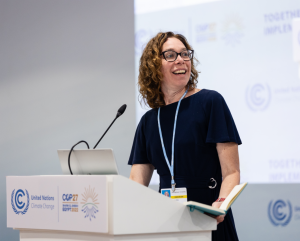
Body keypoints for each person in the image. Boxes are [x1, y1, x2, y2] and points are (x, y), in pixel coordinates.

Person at [128, 31, 241, 241]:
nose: (181, 60)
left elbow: (232, 172)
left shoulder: (210, 102)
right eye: (170, 55)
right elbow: (136, 184)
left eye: (184, 54)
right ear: (153, 66)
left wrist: (221, 203)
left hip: (208, 217)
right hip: (167, 223)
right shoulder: (148, 122)